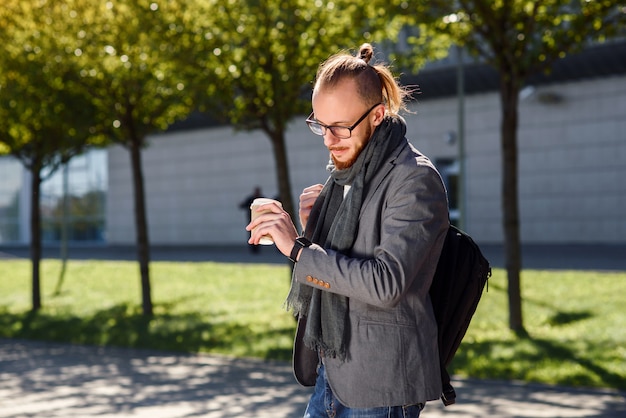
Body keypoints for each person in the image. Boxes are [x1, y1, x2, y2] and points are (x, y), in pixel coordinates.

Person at [246, 43, 449, 417]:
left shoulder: (414, 179)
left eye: (340, 127)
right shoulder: (348, 175)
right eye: (320, 125)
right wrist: (311, 230)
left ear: (377, 115)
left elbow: (385, 284)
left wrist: (298, 250)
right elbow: (345, 261)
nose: (328, 139)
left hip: (381, 387)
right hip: (332, 375)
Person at [239, 186, 263, 253]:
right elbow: (243, 205)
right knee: (251, 234)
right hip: (251, 220)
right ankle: (253, 249)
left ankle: (257, 249)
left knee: (259, 234)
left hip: (260, 220)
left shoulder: (262, 199)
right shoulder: (250, 199)